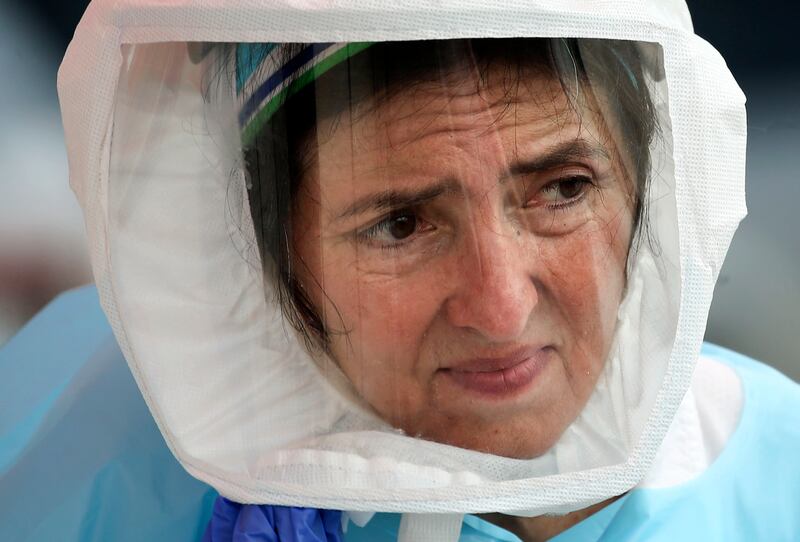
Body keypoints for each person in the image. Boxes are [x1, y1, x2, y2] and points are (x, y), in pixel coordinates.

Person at [1, 1, 798, 541]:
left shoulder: (776, 478)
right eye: (401, 223)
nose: (502, 306)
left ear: (647, 188)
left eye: (563, 189)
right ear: (274, 261)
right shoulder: (101, 480)